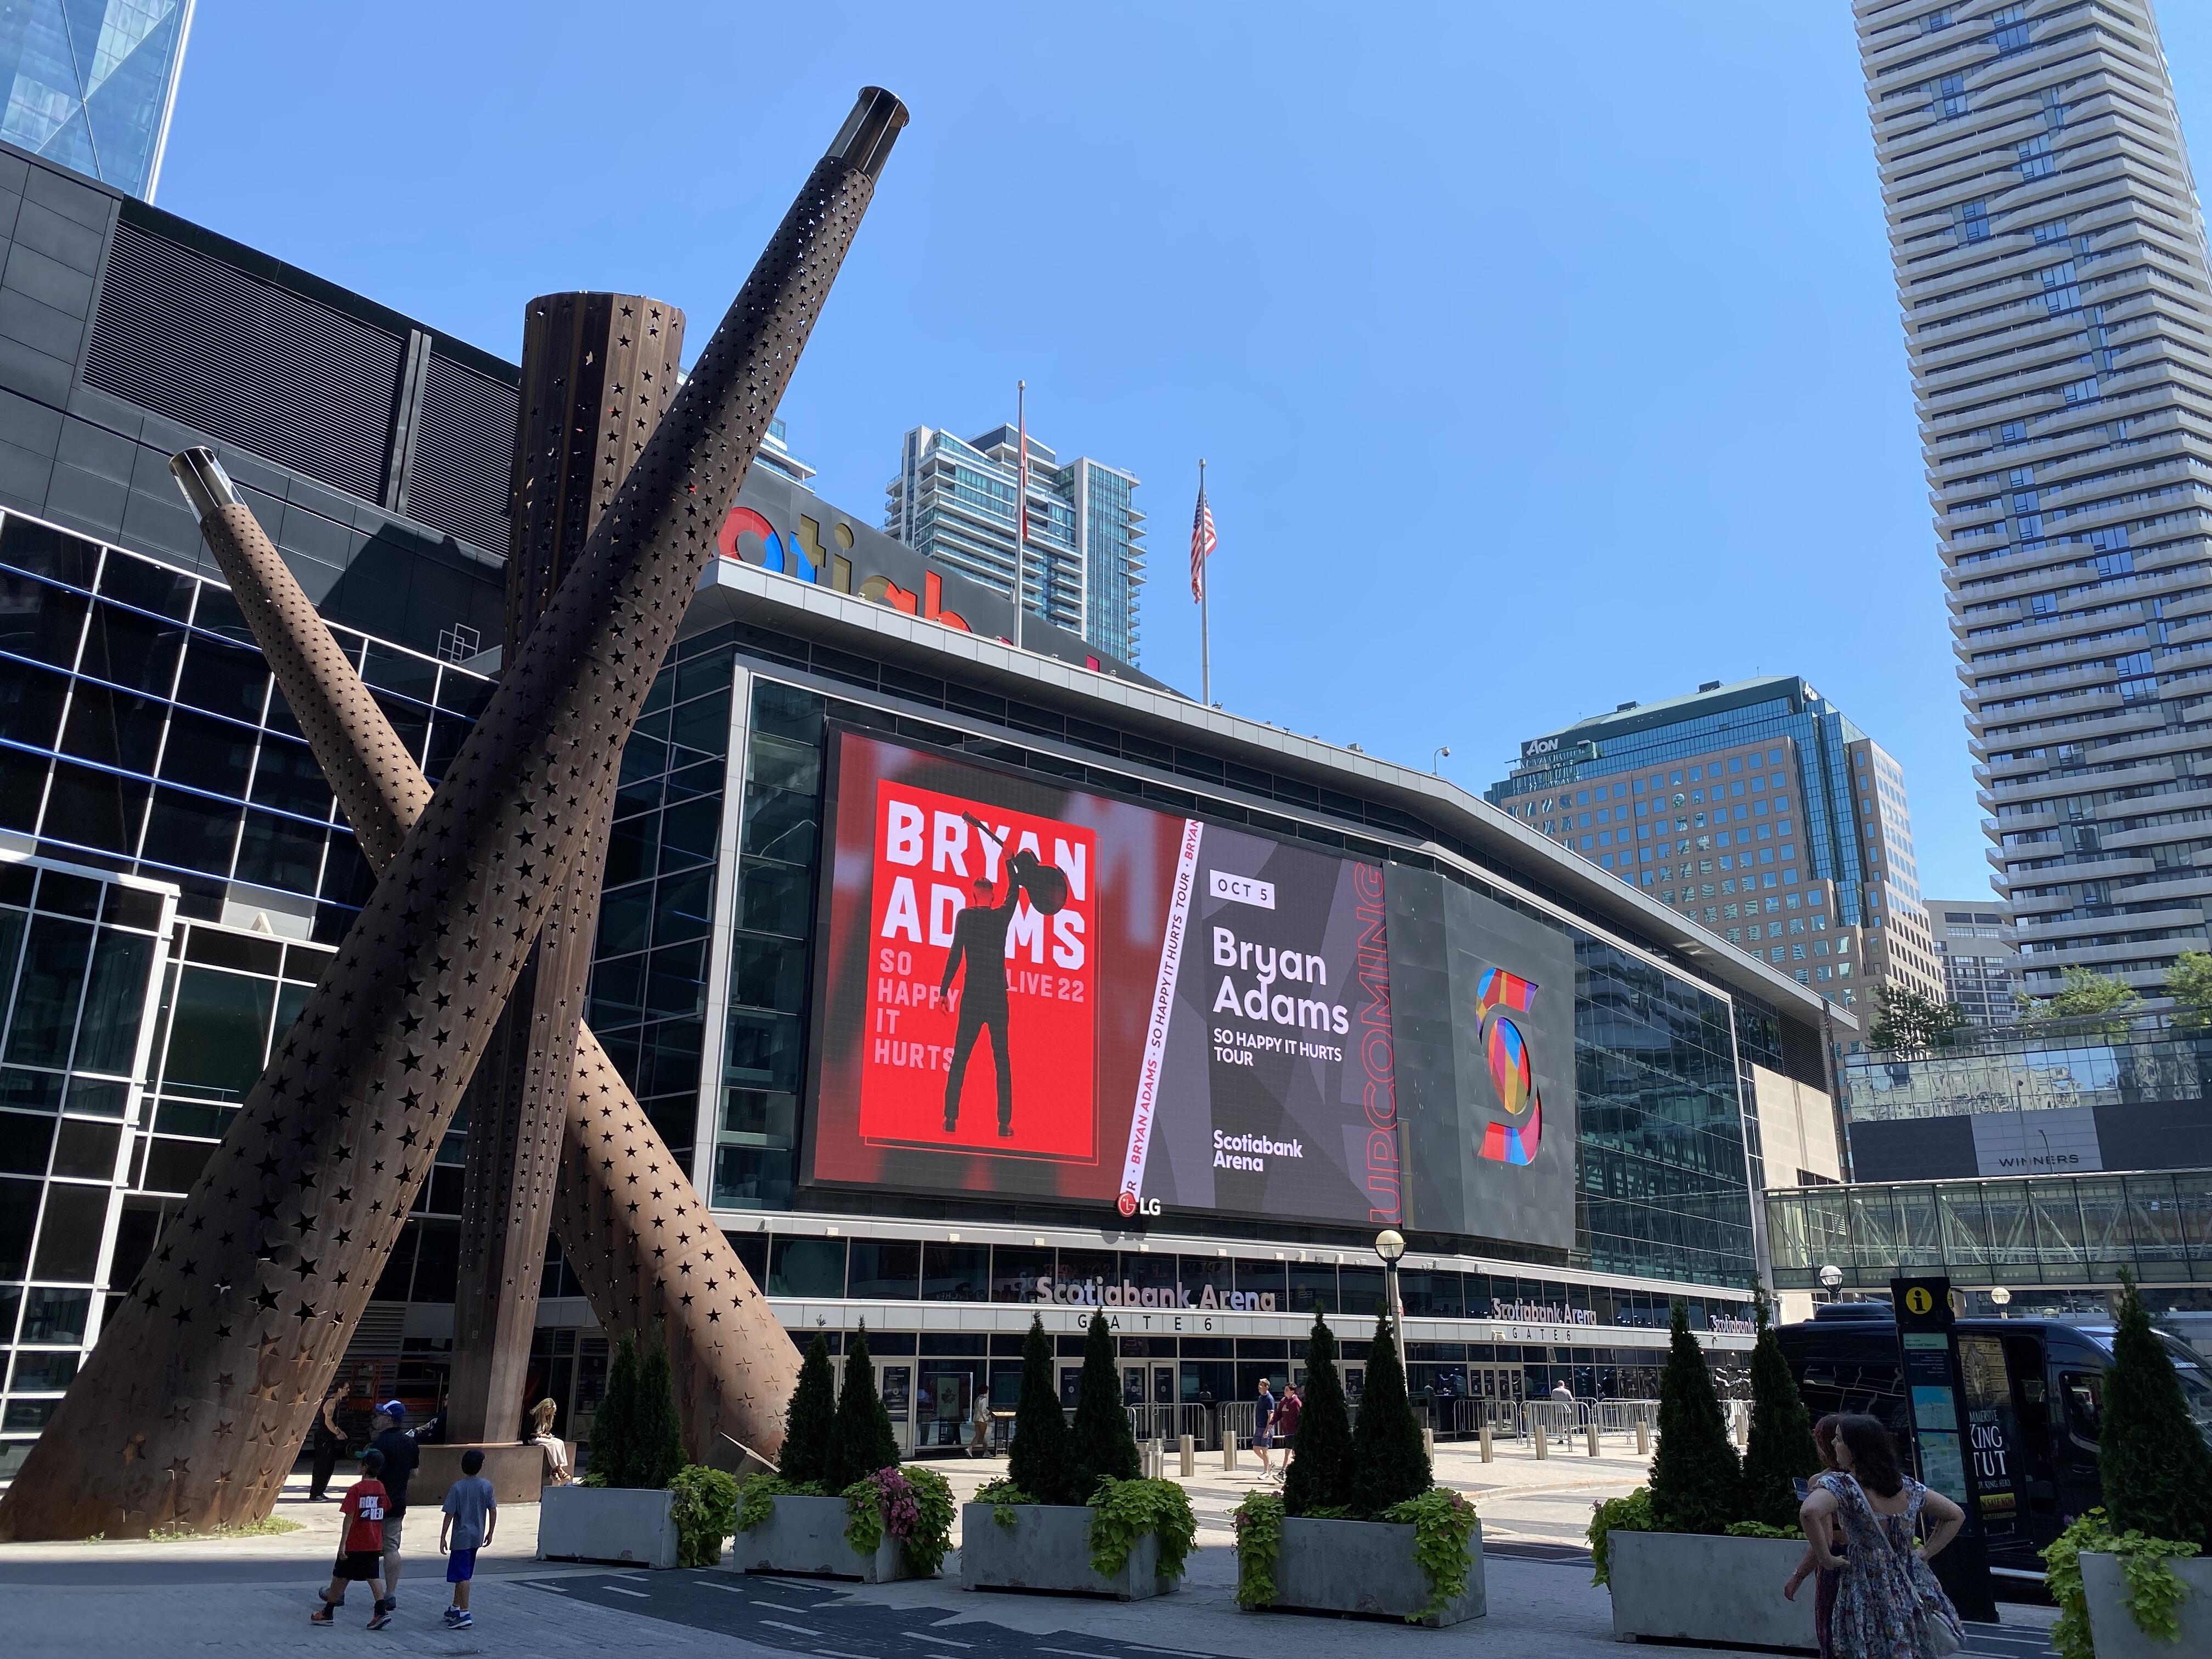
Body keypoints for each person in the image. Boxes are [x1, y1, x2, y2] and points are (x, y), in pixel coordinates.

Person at [1797, 1414, 1964, 1659]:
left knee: (1866, 1647)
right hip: (1908, 1583)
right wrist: (1926, 1552)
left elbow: (1810, 1512)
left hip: (1865, 1585)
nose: (1834, 1445)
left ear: (1856, 1448)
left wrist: (1826, 1558)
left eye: (1839, 1440)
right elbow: (1955, 1515)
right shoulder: (1905, 1486)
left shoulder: (1843, 1485)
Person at [941, 870, 1019, 1136]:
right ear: (993, 895)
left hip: (973, 995)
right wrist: (1010, 863)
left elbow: (955, 954)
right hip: (997, 995)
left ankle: (951, 1118)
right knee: (1002, 1060)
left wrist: (944, 990)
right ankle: (1004, 1124)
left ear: (974, 895)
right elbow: (1015, 893)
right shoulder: (1000, 917)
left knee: (960, 1056)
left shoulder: (965, 916)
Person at [1784, 1414, 1847, 1659]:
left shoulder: (1823, 1483)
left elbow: (1825, 1539)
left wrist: (1798, 1576)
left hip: (1838, 1569)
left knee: (1833, 1636)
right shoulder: (1881, 1480)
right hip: (1879, 1570)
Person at [312, 1447, 391, 1628]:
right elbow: (383, 1511)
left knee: (339, 1575)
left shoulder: (356, 1490)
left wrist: (343, 1544)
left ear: (365, 1467)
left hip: (355, 1542)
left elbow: (349, 1516)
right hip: (373, 1542)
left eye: (361, 1462)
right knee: (373, 1577)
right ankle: (381, 1611)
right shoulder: (381, 1488)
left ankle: (328, 1613)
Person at [368, 1400, 420, 1621]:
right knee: (391, 1547)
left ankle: (338, 1591)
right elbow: (415, 1474)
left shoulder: (379, 1443)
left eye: (380, 1415)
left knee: (363, 1547)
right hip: (398, 1503)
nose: (376, 1419)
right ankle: (390, 1594)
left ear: (389, 1419)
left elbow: (369, 1475)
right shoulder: (410, 1443)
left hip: (374, 1503)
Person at [439, 1448, 497, 1630]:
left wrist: (443, 1536)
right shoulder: (486, 1485)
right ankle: (456, 1607)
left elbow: (450, 1513)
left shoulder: (458, 1487)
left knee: (462, 1575)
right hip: (477, 1535)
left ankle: (464, 1612)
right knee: (465, 1571)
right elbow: (493, 1510)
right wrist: (490, 1531)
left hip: (461, 1536)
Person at [307, 1388, 346, 1502]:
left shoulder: (336, 1402)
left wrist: (340, 1431)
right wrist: (337, 1433)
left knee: (329, 1466)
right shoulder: (331, 1402)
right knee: (322, 1466)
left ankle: (320, 1491)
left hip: (329, 1439)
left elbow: (333, 1422)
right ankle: (315, 1493)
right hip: (324, 1439)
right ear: (340, 1389)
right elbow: (328, 1421)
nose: (348, 1391)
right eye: (346, 1388)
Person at [529, 1397, 572, 1487]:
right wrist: (541, 1435)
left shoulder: (547, 1418)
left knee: (559, 1442)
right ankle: (556, 1469)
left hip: (542, 1437)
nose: (548, 1413)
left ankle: (560, 1467)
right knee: (552, 1444)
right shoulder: (533, 1415)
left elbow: (544, 1431)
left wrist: (547, 1435)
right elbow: (529, 1432)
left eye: (549, 1412)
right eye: (547, 1411)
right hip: (532, 1438)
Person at [1272, 1384, 1302, 1481]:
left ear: (1292, 1391)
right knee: (1290, 1453)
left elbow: (1300, 1417)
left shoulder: (1296, 1402)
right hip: (1287, 1431)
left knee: (1292, 1453)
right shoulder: (1284, 1401)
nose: (1285, 1392)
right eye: (1285, 1390)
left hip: (1295, 1432)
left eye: (1287, 1390)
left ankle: (1286, 1473)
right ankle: (1285, 1473)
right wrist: (1271, 1424)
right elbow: (1278, 1414)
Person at [1253, 1378, 1277, 1477]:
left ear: (1266, 1387)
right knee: (1256, 1448)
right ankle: (1269, 1463)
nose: (1259, 1387)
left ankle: (1266, 1472)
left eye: (1261, 1385)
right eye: (1259, 1385)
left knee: (1264, 1449)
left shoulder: (1269, 1399)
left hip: (1266, 1427)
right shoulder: (1261, 1397)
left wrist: (1267, 1430)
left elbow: (1271, 1415)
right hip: (1259, 1427)